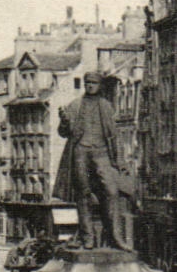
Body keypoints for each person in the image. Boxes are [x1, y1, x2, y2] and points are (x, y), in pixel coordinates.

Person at [52, 71, 135, 250]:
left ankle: (116, 237)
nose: (90, 85)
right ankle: (87, 237)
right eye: (87, 82)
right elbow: (63, 133)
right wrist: (65, 122)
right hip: (80, 151)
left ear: (99, 85)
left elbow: (114, 135)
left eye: (94, 83)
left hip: (101, 152)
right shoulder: (75, 105)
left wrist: (120, 160)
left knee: (111, 191)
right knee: (83, 193)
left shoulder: (106, 106)